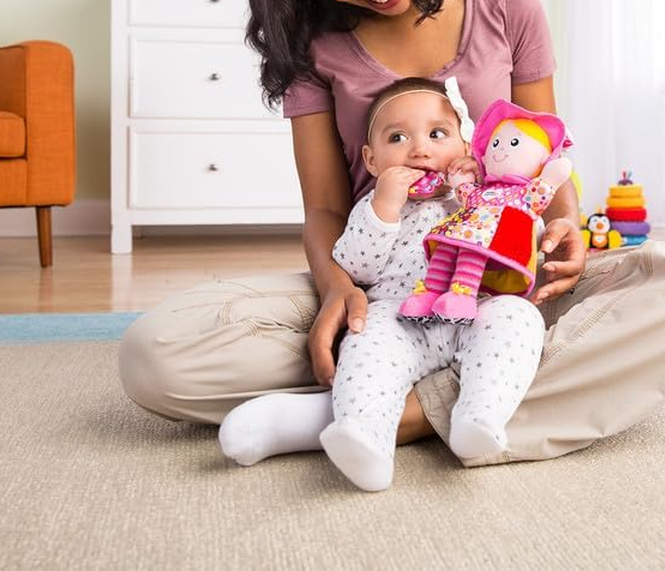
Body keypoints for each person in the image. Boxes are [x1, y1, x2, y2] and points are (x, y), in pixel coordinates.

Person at [118, 0, 665, 468]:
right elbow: (324, 211)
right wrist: (338, 290)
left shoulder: (508, 6)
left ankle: (386, 416)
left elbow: (547, 153)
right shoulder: (316, 48)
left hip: (510, 282)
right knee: (156, 356)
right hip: (385, 290)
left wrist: (566, 226)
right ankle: (461, 394)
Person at [222, 77, 548, 491]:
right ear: (372, 160)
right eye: (398, 137)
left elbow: (519, 241)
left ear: (466, 147)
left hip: (473, 309)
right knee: (364, 343)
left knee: (520, 318)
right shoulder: (372, 207)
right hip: (398, 318)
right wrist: (385, 207)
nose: (420, 148)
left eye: (437, 134)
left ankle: (480, 416)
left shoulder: (482, 199)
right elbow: (356, 267)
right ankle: (365, 439)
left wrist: (512, 209)